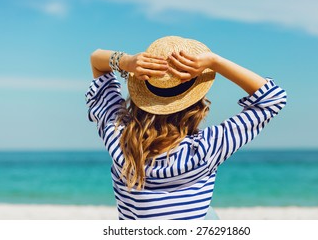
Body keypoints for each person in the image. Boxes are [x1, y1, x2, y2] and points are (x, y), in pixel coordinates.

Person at [85, 36, 287, 220]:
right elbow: (273, 98)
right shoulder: (204, 149)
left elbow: (96, 59)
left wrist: (125, 61)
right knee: (210, 216)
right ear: (197, 102)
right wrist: (215, 62)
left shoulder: (118, 138)